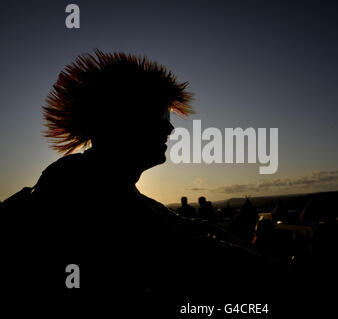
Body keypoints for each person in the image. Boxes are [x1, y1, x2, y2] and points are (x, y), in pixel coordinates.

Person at [1, 50, 277, 308]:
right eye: (158, 115)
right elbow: (185, 250)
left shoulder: (100, 179)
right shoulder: (83, 186)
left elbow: (189, 227)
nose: (169, 126)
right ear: (122, 120)